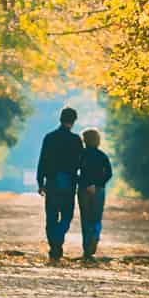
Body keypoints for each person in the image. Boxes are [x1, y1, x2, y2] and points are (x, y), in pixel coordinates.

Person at [36, 106, 83, 260]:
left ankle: (54, 246)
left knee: (51, 215)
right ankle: (59, 237)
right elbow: (80, 163)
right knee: (67, 215)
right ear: (74, 121)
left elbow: (42, 160)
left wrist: (40, 182)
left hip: (52, 181)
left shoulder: (49, 137)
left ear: (60, 119)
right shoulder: (76, 140)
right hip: (69, 182)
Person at [77, 127, 112, 260]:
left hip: (83, 190)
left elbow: (75, 171)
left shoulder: (81, 155)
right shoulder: (102, 155)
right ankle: (95, 237)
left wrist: (85, 183)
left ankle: (87, 249)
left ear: (84, 140)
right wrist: (98, 184)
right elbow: (108, 173)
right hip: (98, 190)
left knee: (85, 218)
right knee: (96, 217)